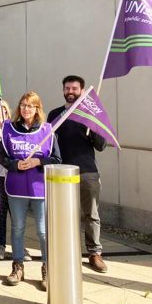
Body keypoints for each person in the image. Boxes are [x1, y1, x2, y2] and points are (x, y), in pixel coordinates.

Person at [0, 91, 61, 291]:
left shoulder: (47, 130)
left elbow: (57, 159)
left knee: (43, 231)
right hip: (16, 187)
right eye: (23, 105)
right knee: (17, 228)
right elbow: (2, 156)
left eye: (30, 106)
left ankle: (47, 267)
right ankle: (18, 267)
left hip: (39, 189)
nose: (26, 109)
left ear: (37, 108)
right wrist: (15, 165)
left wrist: (38, 161)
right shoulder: (8, 128)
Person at [48, 75, 108, 273]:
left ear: (82, 91)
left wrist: (94, 128)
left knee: (91, 214)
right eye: (67, 88)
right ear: (63, 90)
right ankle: (67, 251)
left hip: (87, 172)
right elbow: (48, 144)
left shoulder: (90, 116)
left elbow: (101, 146)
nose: (70, 92)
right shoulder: (55, 115)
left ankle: (94, 253)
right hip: (61, 173)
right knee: (64, 215)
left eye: (74, 88)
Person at [0, 98, 25, 261]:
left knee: (17, 214)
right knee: (0, 214)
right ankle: (1, 246)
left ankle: (20, 247)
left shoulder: (14, 128)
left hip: (14, 176)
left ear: (5, 109)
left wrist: (3, 137)